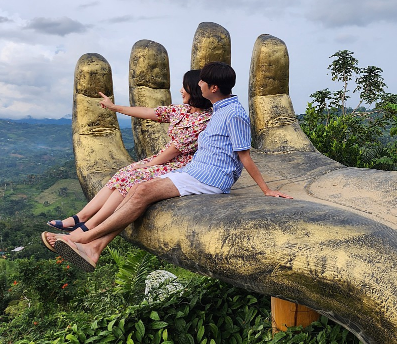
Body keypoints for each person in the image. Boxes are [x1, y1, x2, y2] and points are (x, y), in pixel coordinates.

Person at [46, 61, 291, 271]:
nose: (199, 85)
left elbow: (244, 155)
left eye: (203, 81)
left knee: (142, 191)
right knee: (136, 188)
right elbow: (154, 113)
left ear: (213, 88)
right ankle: (94, 249)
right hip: (195, 171)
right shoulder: (217, 109)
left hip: (210, 178)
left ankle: (85, 238)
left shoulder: (233, 114)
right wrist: (115, 107)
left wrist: (266, 190)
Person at [41, 70, 212, 250]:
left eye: (184, 87)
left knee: (132, 176)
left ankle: (87, 228)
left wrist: (147, 165)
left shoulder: (204, 119)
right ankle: (81, 217)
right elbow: (148, 112)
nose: (181, 91)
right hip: (165, 159)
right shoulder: (183, 110)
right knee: (123, 172)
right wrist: (115, 107)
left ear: (194, 90)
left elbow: (173, 150)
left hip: (181, 165)